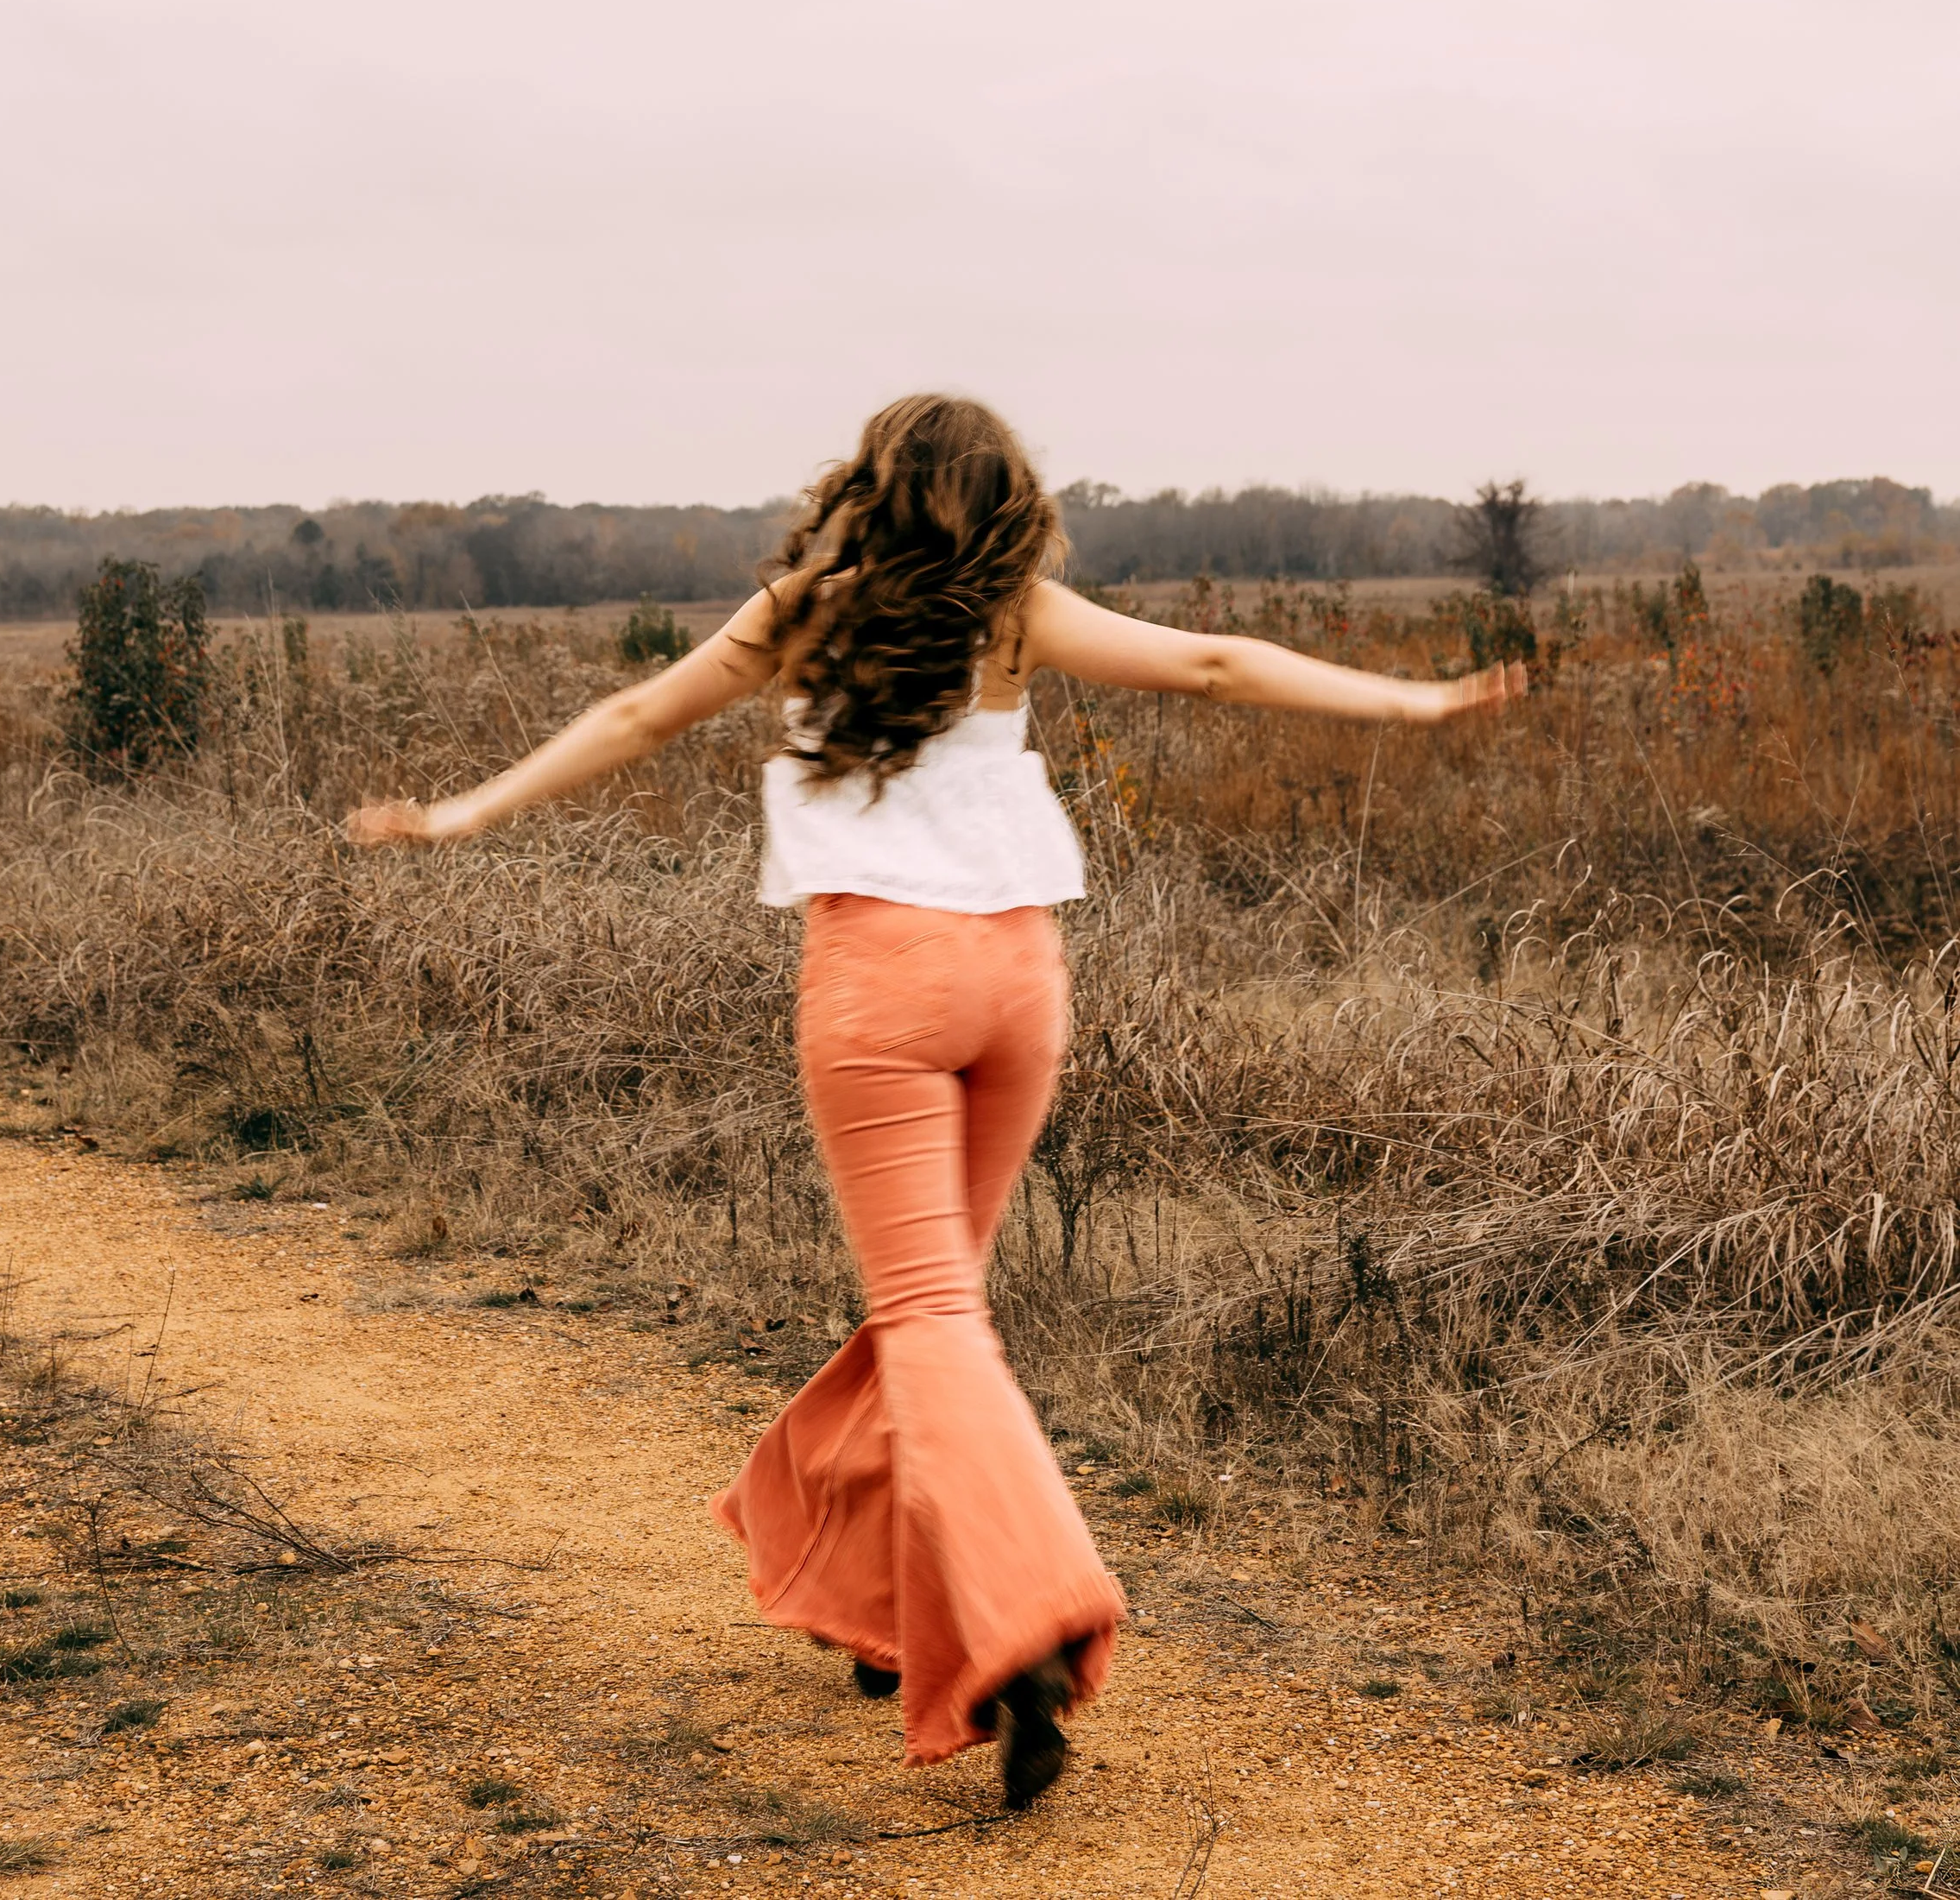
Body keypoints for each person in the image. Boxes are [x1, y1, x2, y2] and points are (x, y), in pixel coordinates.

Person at [347, 395, 1522, 1808]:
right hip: (1019, 975)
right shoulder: (1015, 614)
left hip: (879, 980)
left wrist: (466, 811)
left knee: (929, 1313)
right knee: (941, 1300)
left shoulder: (804, 610)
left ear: (875, 489)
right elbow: (1211, 663)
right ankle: (886, 1600)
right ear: (1008, 497)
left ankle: (1026, 1619)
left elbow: (637, 711)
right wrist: (1416, 698)